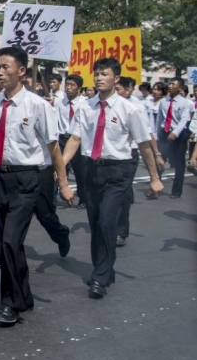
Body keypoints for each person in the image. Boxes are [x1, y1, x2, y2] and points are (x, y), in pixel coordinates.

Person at [0, 47, 74, 326]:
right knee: (6, 246)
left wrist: (63, 184)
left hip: (28, 179)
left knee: (11, 240)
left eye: (5, 67)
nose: (0, 73)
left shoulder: (38, 105)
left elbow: (54, 149)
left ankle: (10, 303)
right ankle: (23, 295)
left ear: (21, 71)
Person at [61, 57, 163, 299]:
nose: (98, 77)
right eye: (96, 73)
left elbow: (143, 144)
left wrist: (154, 177)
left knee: (108, 221)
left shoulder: (130, 109)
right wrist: (60, 166)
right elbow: (75, 139)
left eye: (104, 74)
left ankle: (100, 276)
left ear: (116, 78)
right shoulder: (86, 106)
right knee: (96, 223)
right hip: (91, 169)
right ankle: (105, 268)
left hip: (118, 171)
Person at [114, 76, 163, 247]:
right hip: (110, 157)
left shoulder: (136, 108)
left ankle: (121, 231)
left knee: (122, 195)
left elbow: (147, 133)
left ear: (128, 89)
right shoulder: (105, 105)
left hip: (130, 154)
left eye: (118, 88)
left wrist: (157, 154)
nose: (115, 92)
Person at [55, 75, 88, 208]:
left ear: (79, 89)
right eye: (67, 84)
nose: (68, 88)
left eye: (72, 85)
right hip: (63, 138)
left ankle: (83, 198)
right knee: (58, 168)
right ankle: (52, 199)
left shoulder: (85, 104)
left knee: (80, 172)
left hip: (78, 141)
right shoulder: (59, 102)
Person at [155, 78, 191, 199]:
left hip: (179, 135)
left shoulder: (185, 103)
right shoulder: (163, 101)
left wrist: (175, 132)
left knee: (179, 163)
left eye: (173, 84)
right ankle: (156, 187)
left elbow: (183, 120)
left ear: (180, 88)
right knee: (159, 160)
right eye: (169, 84)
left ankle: (176, 191)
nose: (170, 86)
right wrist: (157, 134)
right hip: (165, 133)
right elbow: (159, 119)